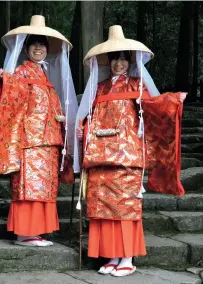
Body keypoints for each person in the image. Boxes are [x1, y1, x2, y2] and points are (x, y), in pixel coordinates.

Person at [74, 25, 187, 277]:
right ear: (110, 61)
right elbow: (90, 114)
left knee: (125, 206)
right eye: (115, 59)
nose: (119, 64)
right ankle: (112, 255)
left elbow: (155, 109)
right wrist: (82, 128)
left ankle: (127, 257)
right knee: (103, 206)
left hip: (127, 155)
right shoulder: (99, 87)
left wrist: (172, 102)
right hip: (99, 157)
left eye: (124, 59)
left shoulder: (138, 86)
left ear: (130, 62)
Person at [0, 15, 78, 247]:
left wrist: (60, 119)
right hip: (29, 140)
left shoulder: (43, 75)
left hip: (48, 140)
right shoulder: (21, 73)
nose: (39, 48)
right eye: (34, 44)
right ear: (27, 48)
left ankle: (36, 230)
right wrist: (6, 80)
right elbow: (13, 99)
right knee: (29, 186)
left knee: (43, 187)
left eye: (42, 44)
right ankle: (24, 233)